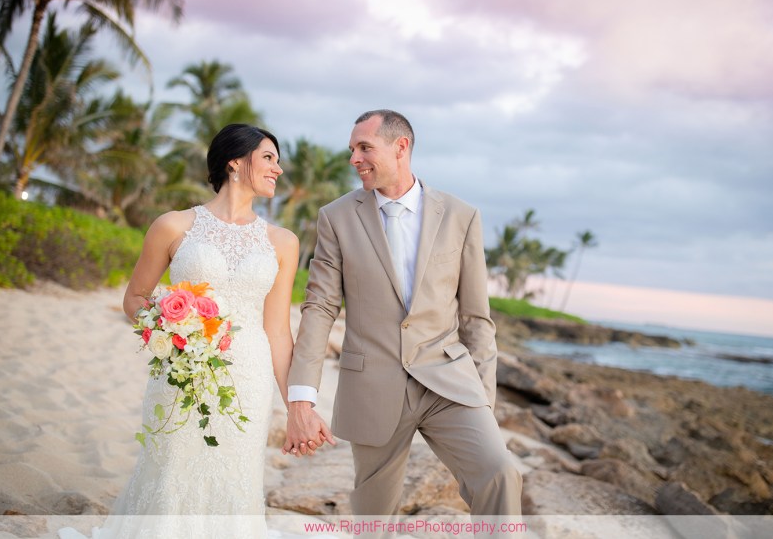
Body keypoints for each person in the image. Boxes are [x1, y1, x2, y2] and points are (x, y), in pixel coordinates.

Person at [60, 124, 303, 539]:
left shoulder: (283, 241)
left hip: (248, 375)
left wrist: (296, 406)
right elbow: (135, 298)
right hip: (180, 371)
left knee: (235, 473)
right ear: (234, 162)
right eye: (269, 158)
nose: (278, 169)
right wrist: (172, 330)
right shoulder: (174, 226)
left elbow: (278, 331)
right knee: (171, 466)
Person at [285, 110, 522, 518]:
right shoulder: (336, 218)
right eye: (351, 150)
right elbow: (320, 307)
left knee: (500, 474)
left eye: (364, 148)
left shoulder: (461, 216)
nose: (354, 159)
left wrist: (483, 399)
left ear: (401, 147)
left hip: (448, 383)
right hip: (374, 385)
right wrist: (302, 399)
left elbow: (476, 319)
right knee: (373, 515)